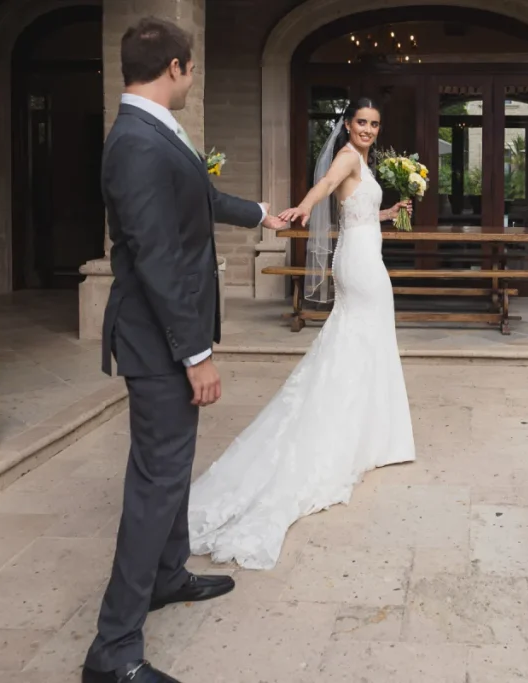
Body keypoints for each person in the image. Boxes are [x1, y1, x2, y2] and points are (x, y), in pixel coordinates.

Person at [84, 17, 287, 683]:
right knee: (156, 479)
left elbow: (194, 199)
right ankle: (114, 651)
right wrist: (195, 353)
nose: (193, 76)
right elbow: (156, 258)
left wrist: (260, 213)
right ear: (175, 67)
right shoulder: (137, 142)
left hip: (165, 336)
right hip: (158, 341)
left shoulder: (153, 128)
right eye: (191, 66)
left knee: (170, 466)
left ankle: (166, 575)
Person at [187, 97, 417, 570]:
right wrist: (305, 207)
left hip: (363, 254)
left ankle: (370, 434)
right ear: (348, 125)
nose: (368, 130)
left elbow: (358, 212)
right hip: (361, 266)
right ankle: (360, 435)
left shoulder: (365, 162)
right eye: (361, 123)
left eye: (374, 123)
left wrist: (389, 212)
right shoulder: (348, 157)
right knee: (362, 338)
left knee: (361, 342)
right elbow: (328, 184)